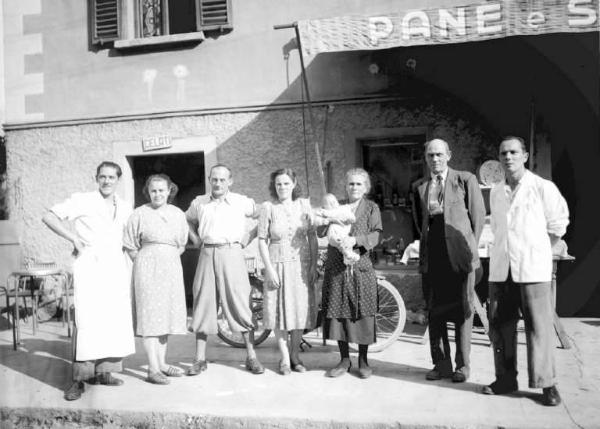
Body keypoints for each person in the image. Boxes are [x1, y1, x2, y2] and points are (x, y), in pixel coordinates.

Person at [483, 136, 569, 406]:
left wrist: (538, 250)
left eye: (513, 152)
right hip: (502, 269)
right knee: (501, 327)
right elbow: (497, 229)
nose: (508, 157)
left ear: (525, 155)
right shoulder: (496, 191)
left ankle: (547, 385)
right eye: (503, 153)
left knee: (539, 329)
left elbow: (558, 226)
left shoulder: (542, 187)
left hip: (533, 269)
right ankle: (506, 379)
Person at [42, 161, 135, 401]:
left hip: (115, 266)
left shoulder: (125, 207)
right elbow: (49, 217)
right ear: (96, 178)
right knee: (88, 321)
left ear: (118, 180)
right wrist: (73, 238)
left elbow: (129, 238)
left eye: (111, 177)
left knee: (113, 319)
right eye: (102, 176)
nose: (106, 181)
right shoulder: (83, 200)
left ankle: (105, 372)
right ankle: (79, 379)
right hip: (90, 265)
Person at [412, 138, 486, 383]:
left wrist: (467, 250)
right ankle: (441, 364)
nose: (435, 159)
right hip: (433, 256)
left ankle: (462, 367)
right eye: (430, 155)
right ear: (426, 158)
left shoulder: (465, 180)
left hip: (459, 255)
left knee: (463, 310)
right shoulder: (420, 186)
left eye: (439, 154)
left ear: (449, 155)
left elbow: (477, 218)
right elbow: (419, 222)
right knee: (436, 311)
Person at [185, 164, 264, 375]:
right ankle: (199, 359)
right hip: (207, 253)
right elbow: (186, 220)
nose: (218, 183)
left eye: (222, 180)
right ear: (210, 180)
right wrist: (195, 237)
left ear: (230, 181)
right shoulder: (199, 202)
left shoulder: (241, 201)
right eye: (214, 179)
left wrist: (251, 235)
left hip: (232, 253)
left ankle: (251, 357)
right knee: (203, 302)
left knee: (240, 302)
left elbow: (265, 214)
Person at [123, 174, 189, 385]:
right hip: (147, 270)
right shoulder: (139, 214)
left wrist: (166, 258)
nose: (158, 194)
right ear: (148, 192)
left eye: (162, 190)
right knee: (151, 317)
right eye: (154, 190)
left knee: (165, 315)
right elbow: (130, 245)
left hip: (171, 270)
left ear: (169, 190)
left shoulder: (177, 214)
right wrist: (146, 260)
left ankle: (162, 363)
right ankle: (152, 368)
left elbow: (182, 244)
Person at [319, 168, 382, 379]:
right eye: (350, 184)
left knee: (362, 312)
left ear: (366, 187)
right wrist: (325, 216)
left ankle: (363, 361)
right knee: (338, 313)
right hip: (337, 267)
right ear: (346, 186)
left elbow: (375, 235)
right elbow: (320, 230)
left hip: (360, 266)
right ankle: (344, 360)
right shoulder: (337, 206)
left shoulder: (372, 208)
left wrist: (356, 240)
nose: (354, 187)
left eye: (359, 184)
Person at [257, 168, 318, 375]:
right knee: (279, 312)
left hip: (301, 266)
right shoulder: (268, 207)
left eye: (285, 183)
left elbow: (312, 237)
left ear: (294, 183)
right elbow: (262, 240)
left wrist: (312, 265)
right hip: (277, 265)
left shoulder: (304, 205)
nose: (282, 187)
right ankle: (284, 358)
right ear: (274, 187)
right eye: (278, 184)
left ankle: (295, 355)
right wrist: (269, 269)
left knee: (300, 312)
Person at [316, 193, 359, 265]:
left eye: (334, 202)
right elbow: (319, 232)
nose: (332, 204)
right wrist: (330, 220)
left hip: (347, 234)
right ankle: (347, 255)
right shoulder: (326, 213)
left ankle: (348, 258)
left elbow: (351, 217)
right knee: (335, 235)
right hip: (335, 239)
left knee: (347, 243)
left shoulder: (343, 208)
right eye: (329, 203)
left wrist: (350, 219)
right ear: (324, 207)